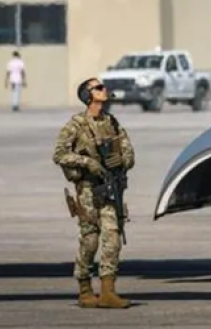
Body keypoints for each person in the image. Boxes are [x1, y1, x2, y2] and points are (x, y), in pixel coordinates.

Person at [52, 77, 136, 308]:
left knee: (113, 237)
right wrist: (87, 162)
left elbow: (129, 153)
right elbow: (59, 154)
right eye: (98, 88)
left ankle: (108, 291)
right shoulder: (76, 125)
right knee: (90, 241)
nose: (104, 89)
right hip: (88, 191)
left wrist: (123, 160)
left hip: (110, 189)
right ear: (88, 96)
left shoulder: (112, 123)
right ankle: (85, 289)